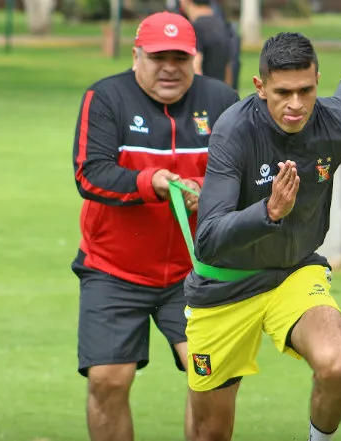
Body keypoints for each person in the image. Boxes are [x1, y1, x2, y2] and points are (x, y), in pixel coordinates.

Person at [182, 32, 341, 441]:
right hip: (225, 285)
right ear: (260, 87)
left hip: (294, 272)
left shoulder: (337, 120)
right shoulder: (234, 131)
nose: (296, 104)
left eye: (305, 90)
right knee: (210, 432)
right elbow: (206, 237)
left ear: (317, 81)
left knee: (338, 366)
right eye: (282, 93)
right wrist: (269, 212)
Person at [69, 10, 239, 441]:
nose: (169, 68)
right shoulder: (106, 97)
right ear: (136, 56)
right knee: (108, 379)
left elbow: (246, 173)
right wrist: (151, 182)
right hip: (114, 269)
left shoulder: (222, 100)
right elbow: (90, 173)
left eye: (179, 58)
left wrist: (206, 190)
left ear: (194, 59)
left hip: (198, 272)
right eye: (158, 57)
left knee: (212, 380)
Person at [179, 0, 233, 86]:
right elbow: (228, 67)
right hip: (220, 89)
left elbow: (195, 67)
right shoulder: (222, 25)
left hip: (204, 90)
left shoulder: (195, 28)